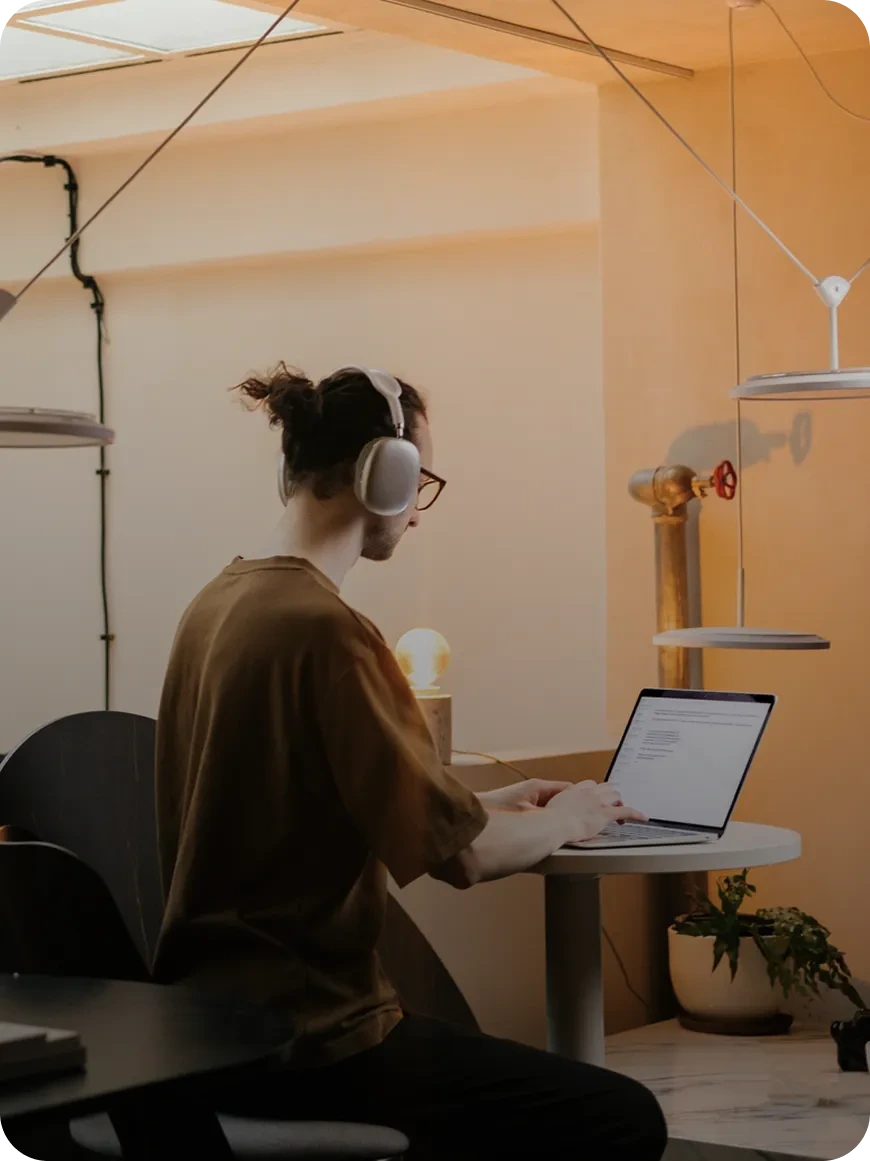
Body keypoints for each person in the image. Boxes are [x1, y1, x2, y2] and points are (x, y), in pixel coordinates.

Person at [153, 364, 667, 1161]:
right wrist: (577, 812)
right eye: (419, 480)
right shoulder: (329, 631)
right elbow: (463, 859)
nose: (418, 514)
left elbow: (309, 800)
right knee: (622, 1115)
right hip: (316, 1041)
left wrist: (495, 802)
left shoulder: (218, 605)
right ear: (380, 473)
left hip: (209, 1039)